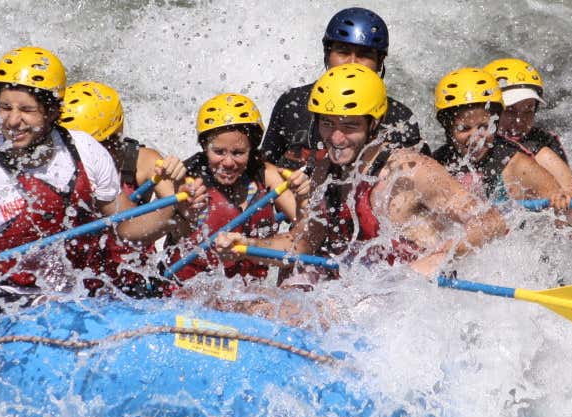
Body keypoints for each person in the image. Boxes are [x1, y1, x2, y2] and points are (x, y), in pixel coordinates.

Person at [0, 46, 203, 331]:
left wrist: (174, 211)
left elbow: (124, 228)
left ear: (51, 111)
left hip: (71, 309)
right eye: (5, 107)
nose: (12, 121)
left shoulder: (84, 149)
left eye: (27, 110)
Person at [217, 63, 507, 281]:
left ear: (374, 125)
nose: (337, 138)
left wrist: (438, 258)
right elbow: (302, 243)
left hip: (414, 300)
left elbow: (491, 222)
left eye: (350, 126)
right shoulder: (323, 172)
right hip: (363, 291)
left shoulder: (411, 171)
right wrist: (251, 245)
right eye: (328, 124)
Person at [430, 67, 572, 244]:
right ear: (448, 128)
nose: (476, 138)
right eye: (464, 129)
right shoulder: (436, 164)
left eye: (484, 127)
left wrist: (569, 212)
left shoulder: (518, 164)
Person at [58, 81, 187, 297]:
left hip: (131, 276)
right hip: (75, 278)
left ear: (115, 139)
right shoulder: (57, 165)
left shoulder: (142, 162)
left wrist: (179, 184)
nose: (82, 156)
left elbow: (183, 214)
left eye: (92, 146)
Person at [163, 93, 308, 283]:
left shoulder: (266, 174)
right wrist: (179, 202)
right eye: (219, 152)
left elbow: (306, 232)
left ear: (252, 150)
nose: (228, 162)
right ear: (205, 147)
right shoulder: (188, 181)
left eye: (238, 153)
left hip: (246, 294)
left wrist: (302, 198)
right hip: (185, 295)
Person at [259, 7, 425, 171]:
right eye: (343, 52)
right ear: (327, 54)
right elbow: (263, 168)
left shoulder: (399, 119)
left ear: (379, 62)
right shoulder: (294, 103)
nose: (352, 62)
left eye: (364, 55)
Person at [482, 58, 572, 198]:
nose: (519, 121)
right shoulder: (466, 147)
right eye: (510, 110)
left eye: (528, 111)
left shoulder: (542, 154)